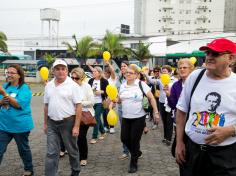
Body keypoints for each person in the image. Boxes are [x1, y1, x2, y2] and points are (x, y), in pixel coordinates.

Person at [175, 38, 236, 176]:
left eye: (215, 54)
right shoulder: (195, 77)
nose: (209, 57)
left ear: (231, 58)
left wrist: (231, 130)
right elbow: (181, 111)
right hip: (192, 152)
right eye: (207, 53)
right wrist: (179, 142)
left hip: (224, 157)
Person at [44, 59, 82, 176]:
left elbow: (79, 106)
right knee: (51, 152)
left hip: (68, 123)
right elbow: (46, 105)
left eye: (63, 69)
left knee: (72, 151)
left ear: (67, 71)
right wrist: (45, 123)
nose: (60, 71)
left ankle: (75, 171)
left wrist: (76, 126)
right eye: (57, 69)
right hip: (52, 123)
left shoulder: (73, 85)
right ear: (53, 71)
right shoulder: (49, 85)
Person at [119, 64, 160, 173]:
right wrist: (113, 100)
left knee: (134, 140)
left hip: (139, 117)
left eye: (130, 72)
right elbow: (120, 99)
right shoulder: (123, 85)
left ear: (137, 75)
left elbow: (151, 98)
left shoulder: (141, 84)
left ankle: (134, 163)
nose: (127, 74)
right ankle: (137, 152)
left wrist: (156, 112)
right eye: (126, 72)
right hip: (126, 117)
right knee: (124, 138)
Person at [0, 64, 34, 176]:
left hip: (20, 127)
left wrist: (5, 94)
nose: (9, 75)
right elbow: (1, 102)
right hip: (4, 126)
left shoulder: (25, 88)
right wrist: (1, 102)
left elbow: (19, 105)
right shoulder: (5, 86)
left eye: (12, 73)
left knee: (23, 150)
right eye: (7, 72)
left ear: (19, 75)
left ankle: (29, 169)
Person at [71, 67, 95, 166]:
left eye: (76, 78)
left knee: (81, 136)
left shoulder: (86, 87)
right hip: (72, 115)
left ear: (81, 78)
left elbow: (92, 102)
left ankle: (83, 157)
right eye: (72, 78)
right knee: (73, 137)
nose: (74, 80)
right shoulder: (70, 87)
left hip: (85, 114)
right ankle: (75, 154)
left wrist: (79, 103)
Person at [88, 66, 108, 144]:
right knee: (97, 118)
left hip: (100, 102)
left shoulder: (104, 81)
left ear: (99, 73)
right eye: (93, 71)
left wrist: (102, 92)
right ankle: (103, 131)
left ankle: (94, 137)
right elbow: (88, 90)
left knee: (96, 118)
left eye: (95, 71)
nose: (93, 73)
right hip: (92, 102)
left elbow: (108, 91)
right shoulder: (90, 80)